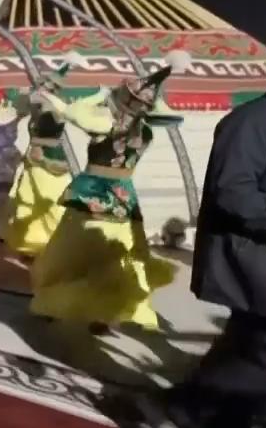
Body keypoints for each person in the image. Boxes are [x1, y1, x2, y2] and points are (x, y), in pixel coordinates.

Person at [135, 44, 266, 428]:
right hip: (259, 262)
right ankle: (175, 408)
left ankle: (230, 426)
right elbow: (233, 192)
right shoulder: (255, 120)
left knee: (244, 346)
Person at [28, 52, 189, 332]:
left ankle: (53, 302)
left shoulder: (106, 123)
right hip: (123, 196)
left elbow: (73, 113)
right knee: (114, 257)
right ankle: (103, 313)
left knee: (69, 252)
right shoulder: (146, 133)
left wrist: (61, 98)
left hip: (92, 192)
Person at [0, 53, 86, 259]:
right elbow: (21, 100)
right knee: (26, 201)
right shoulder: (37, 109)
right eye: (40, 87)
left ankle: (51, 245)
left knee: (50, 203)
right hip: (34, 162)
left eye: (44, 89)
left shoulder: (56, 110)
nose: (38, 91)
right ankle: (31, 246)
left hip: (51, 163)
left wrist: (64, 70)